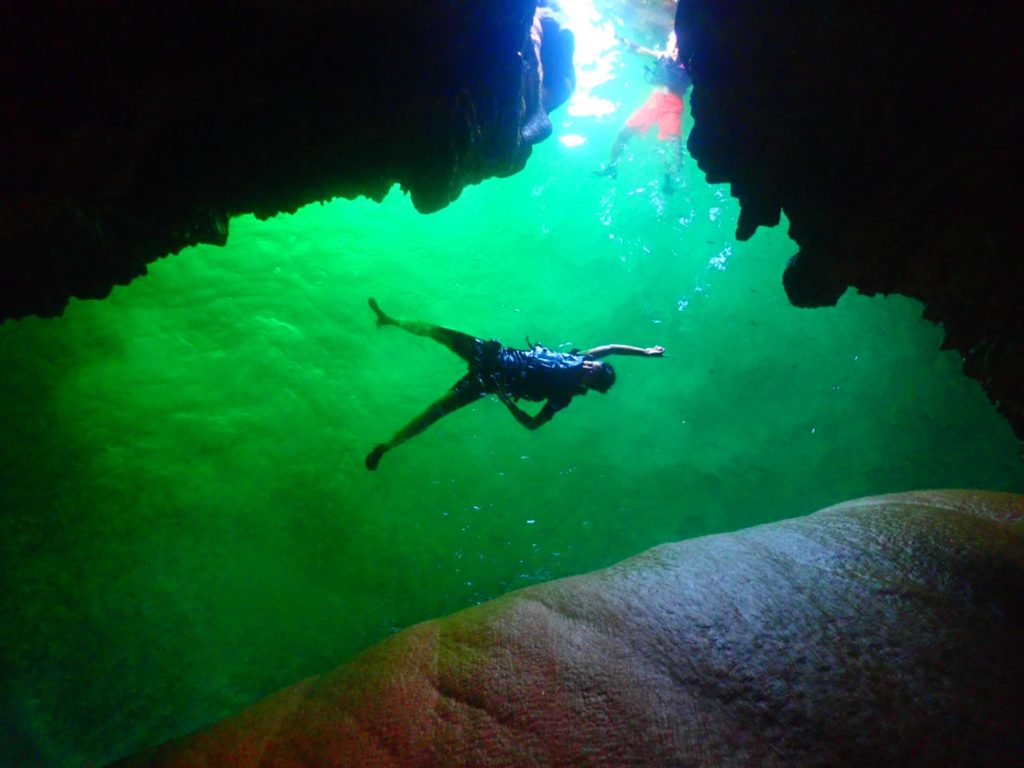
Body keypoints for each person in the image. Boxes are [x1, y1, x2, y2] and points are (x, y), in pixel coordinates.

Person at [364, 298, 665, 470]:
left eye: (590, 369)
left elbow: (534, 424)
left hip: (489, 381)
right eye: (591, 362)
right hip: (494, 354)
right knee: (438, 332)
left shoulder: (562, 397)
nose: (587, 363)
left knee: (435, 411)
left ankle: (387, 446)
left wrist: (505, 400)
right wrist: (646, 353)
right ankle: (389, 320)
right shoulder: (579, 359)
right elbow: (611, 347)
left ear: (590, 382)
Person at [594, 30, 691, 193]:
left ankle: (668, 179)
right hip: (653, 103)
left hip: (673, 107)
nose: (674, 47)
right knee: (623, 133)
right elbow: (639, 49)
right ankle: (612, 166)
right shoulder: (662, 56)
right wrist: (620, 38)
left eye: (677, 44)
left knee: (674, 143)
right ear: (668, 44)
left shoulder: (688, 65)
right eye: (671, 42)